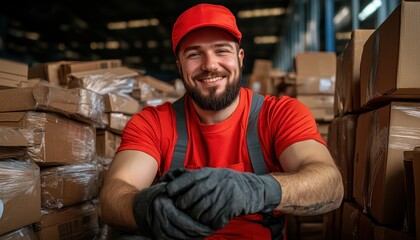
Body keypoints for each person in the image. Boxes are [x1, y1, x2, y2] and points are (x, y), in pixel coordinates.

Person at [99, 3, 343, 240]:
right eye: (194, 54)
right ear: (179, 66)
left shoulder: (279, 114)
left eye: (221, 50)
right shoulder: (152, 123)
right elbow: (112, 196)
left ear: (240, 57)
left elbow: (329, 184)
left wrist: (253, 190)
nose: (210, 65)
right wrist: (148, 210)